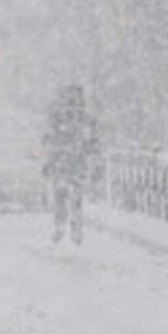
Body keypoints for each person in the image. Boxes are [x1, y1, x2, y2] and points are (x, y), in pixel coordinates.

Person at [43, 83, 98, 245]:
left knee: (70, 196)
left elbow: (93, 141)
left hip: (71, 162)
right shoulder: (65, 117)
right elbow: (49, 139)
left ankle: (70, 227)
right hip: (68, 162)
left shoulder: (80, 119)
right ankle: (68, 227)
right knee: (67, 196)